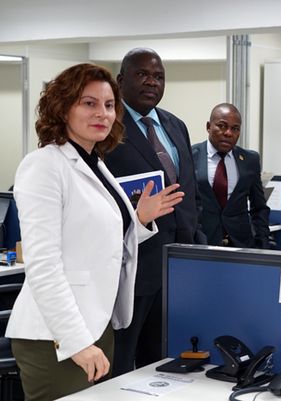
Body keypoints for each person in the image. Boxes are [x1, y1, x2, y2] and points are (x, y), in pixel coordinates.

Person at [6, 63, 184, 400]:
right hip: (55, 336)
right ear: (63, 107)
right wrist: (77, 342)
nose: (102, 113)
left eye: (109, 105)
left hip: (98, 324)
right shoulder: (44, 165)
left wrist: (138, 220)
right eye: (89, 103)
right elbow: (43, 265)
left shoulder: (95, 162)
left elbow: (97, 242)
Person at [103, 48, 206, 376]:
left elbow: (189, 189)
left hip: (178, 264)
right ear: (121, 81)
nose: (152, 82)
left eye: (158, 76)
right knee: (121, 362)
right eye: (142, 75)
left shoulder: (175, 125)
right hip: (134, 264)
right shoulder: (108, 127)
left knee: (162, 361)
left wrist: (195, 239)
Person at [192, 103, 271, 248]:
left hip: (241, 244)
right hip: (201, 243)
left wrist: (262, 243)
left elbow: (259, 207)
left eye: (235, 128)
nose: (228, 133)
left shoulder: (250, 160)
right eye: (222, 126)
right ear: (208, 127)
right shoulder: (190, 156)